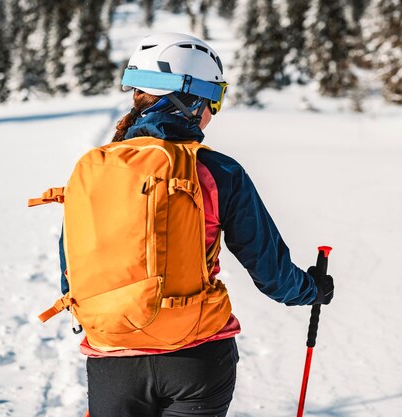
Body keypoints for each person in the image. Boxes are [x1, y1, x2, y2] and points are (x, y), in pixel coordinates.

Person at [62, 32, 334, 417]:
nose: (213, 112)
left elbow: (71, 272)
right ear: (190, 99)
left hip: (112, 359)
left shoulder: (93, 170)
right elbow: (273, 275)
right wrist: (312, 290)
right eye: (215, 99)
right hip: (197, 357)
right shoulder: (218, 170)